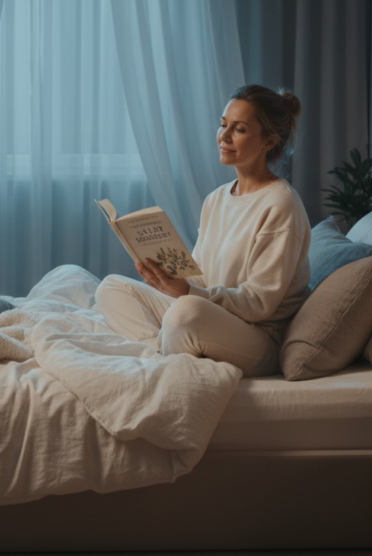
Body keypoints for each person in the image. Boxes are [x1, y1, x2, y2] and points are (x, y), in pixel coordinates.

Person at [95, 85, 311, 377]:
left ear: (268, 142)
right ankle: (158, 351)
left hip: (258, 335)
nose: (223, 136)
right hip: (212, 312)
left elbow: (260, 303)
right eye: (223, 125)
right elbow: (201, 275)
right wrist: (169, 278)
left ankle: (168, 348)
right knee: (111, 287)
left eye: (240, 129)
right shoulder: (216, 198)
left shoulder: (281, 203)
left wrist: (188, 293)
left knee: (185, 314)